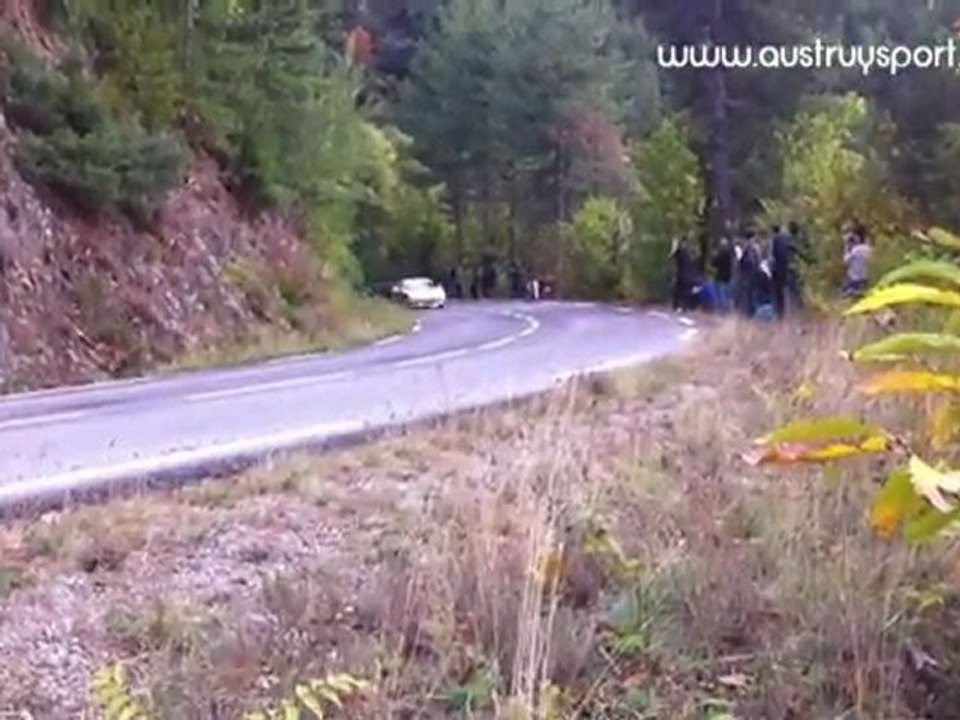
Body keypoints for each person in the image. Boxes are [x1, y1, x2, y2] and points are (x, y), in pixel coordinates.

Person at [843, 225, 872, 298]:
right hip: (865, 278)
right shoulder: (868, 249)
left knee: (845, 294)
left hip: (855, 279)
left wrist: (847, 247)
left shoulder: (855, 250)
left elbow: (846, 261)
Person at [670, 236, 696, 312]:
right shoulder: (686, 252)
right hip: (685, 274)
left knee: (680, 290)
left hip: (682, 274)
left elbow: (672, 255)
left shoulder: (682, 251)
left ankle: (679, 306)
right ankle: (682, 306)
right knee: (683, 290)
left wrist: (674, 245)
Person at [712, 236, 734, 312]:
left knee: (721, 295)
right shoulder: (729, 254)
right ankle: (728, 309)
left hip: (721, 277)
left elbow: (714, 263)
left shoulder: (720, 254)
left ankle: (723, 310)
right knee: (728, 294)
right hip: (728, 276)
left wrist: (714, 255)